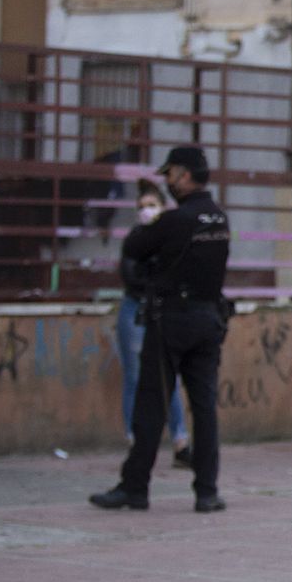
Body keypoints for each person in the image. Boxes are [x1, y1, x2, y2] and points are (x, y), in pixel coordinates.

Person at [90, 148, 231, 513]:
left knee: (151, 403)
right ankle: (207, 491)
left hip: (171, 321)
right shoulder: (219, 218)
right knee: (205, 408)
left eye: (170, 174)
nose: (168, 182)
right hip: (208, 320)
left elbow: (134, 247)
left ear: (184, 174)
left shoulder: (175, 220)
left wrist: (150, 228)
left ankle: (135, 487)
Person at [115, 181, 190, 462]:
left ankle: (180, 440)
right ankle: (135, 439)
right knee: (135, 376)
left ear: (162, 207)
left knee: (168, 377)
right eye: (141, 207)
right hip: (136, 308)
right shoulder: (135, 239)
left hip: (163, 309)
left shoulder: (171, 239)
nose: (146, 211)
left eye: (151, 205)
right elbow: (130, 275)